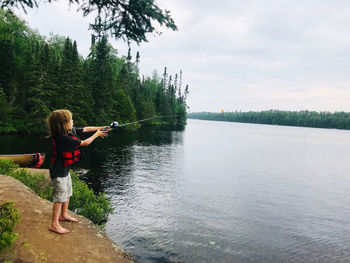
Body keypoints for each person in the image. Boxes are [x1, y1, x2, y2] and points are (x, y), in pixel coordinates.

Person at [46, 109, 110, 234]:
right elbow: (85, 143)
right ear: (63, 124)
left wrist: (101, 128)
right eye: (70, 120)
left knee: (68, 193)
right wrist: (97, 135)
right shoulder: (62, 138)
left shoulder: (69, 131)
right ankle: (54, 224)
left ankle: (63, 215)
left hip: (65, 170)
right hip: (58, 172)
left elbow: (86, 129)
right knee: (59, 197)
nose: (73, 121)